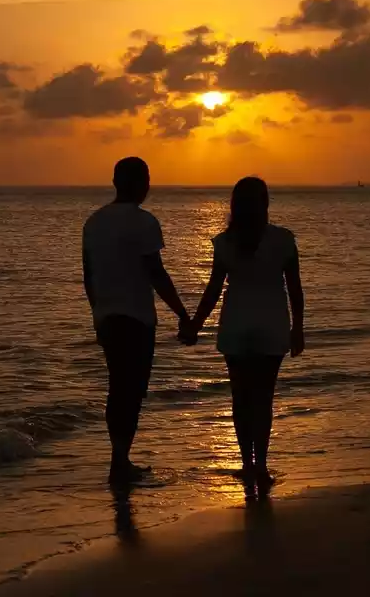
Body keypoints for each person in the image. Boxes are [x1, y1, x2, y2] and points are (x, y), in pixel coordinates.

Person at [181, 176, 305, 496]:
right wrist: (298, 329)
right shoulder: (283, 241)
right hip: (272, 325)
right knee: (263, 400)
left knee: (240, 399)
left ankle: (247, 464)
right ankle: (260, 465)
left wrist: (195, 324)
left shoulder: (225, 243)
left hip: (236, 325)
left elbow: (212, 291)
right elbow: (295, 290)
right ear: (265, 204)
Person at [82, 157, 192, 484]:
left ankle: (119, 458)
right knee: (130, 391)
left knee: (119, 389)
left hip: (108, 317)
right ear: (140, 183)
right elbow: (155, 272)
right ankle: (120, 462)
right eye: (146, 179)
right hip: (136, 319)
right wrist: (183, 314)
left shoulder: (94, 222)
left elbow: (89, 276)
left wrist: (96, 314)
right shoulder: (144, 222)